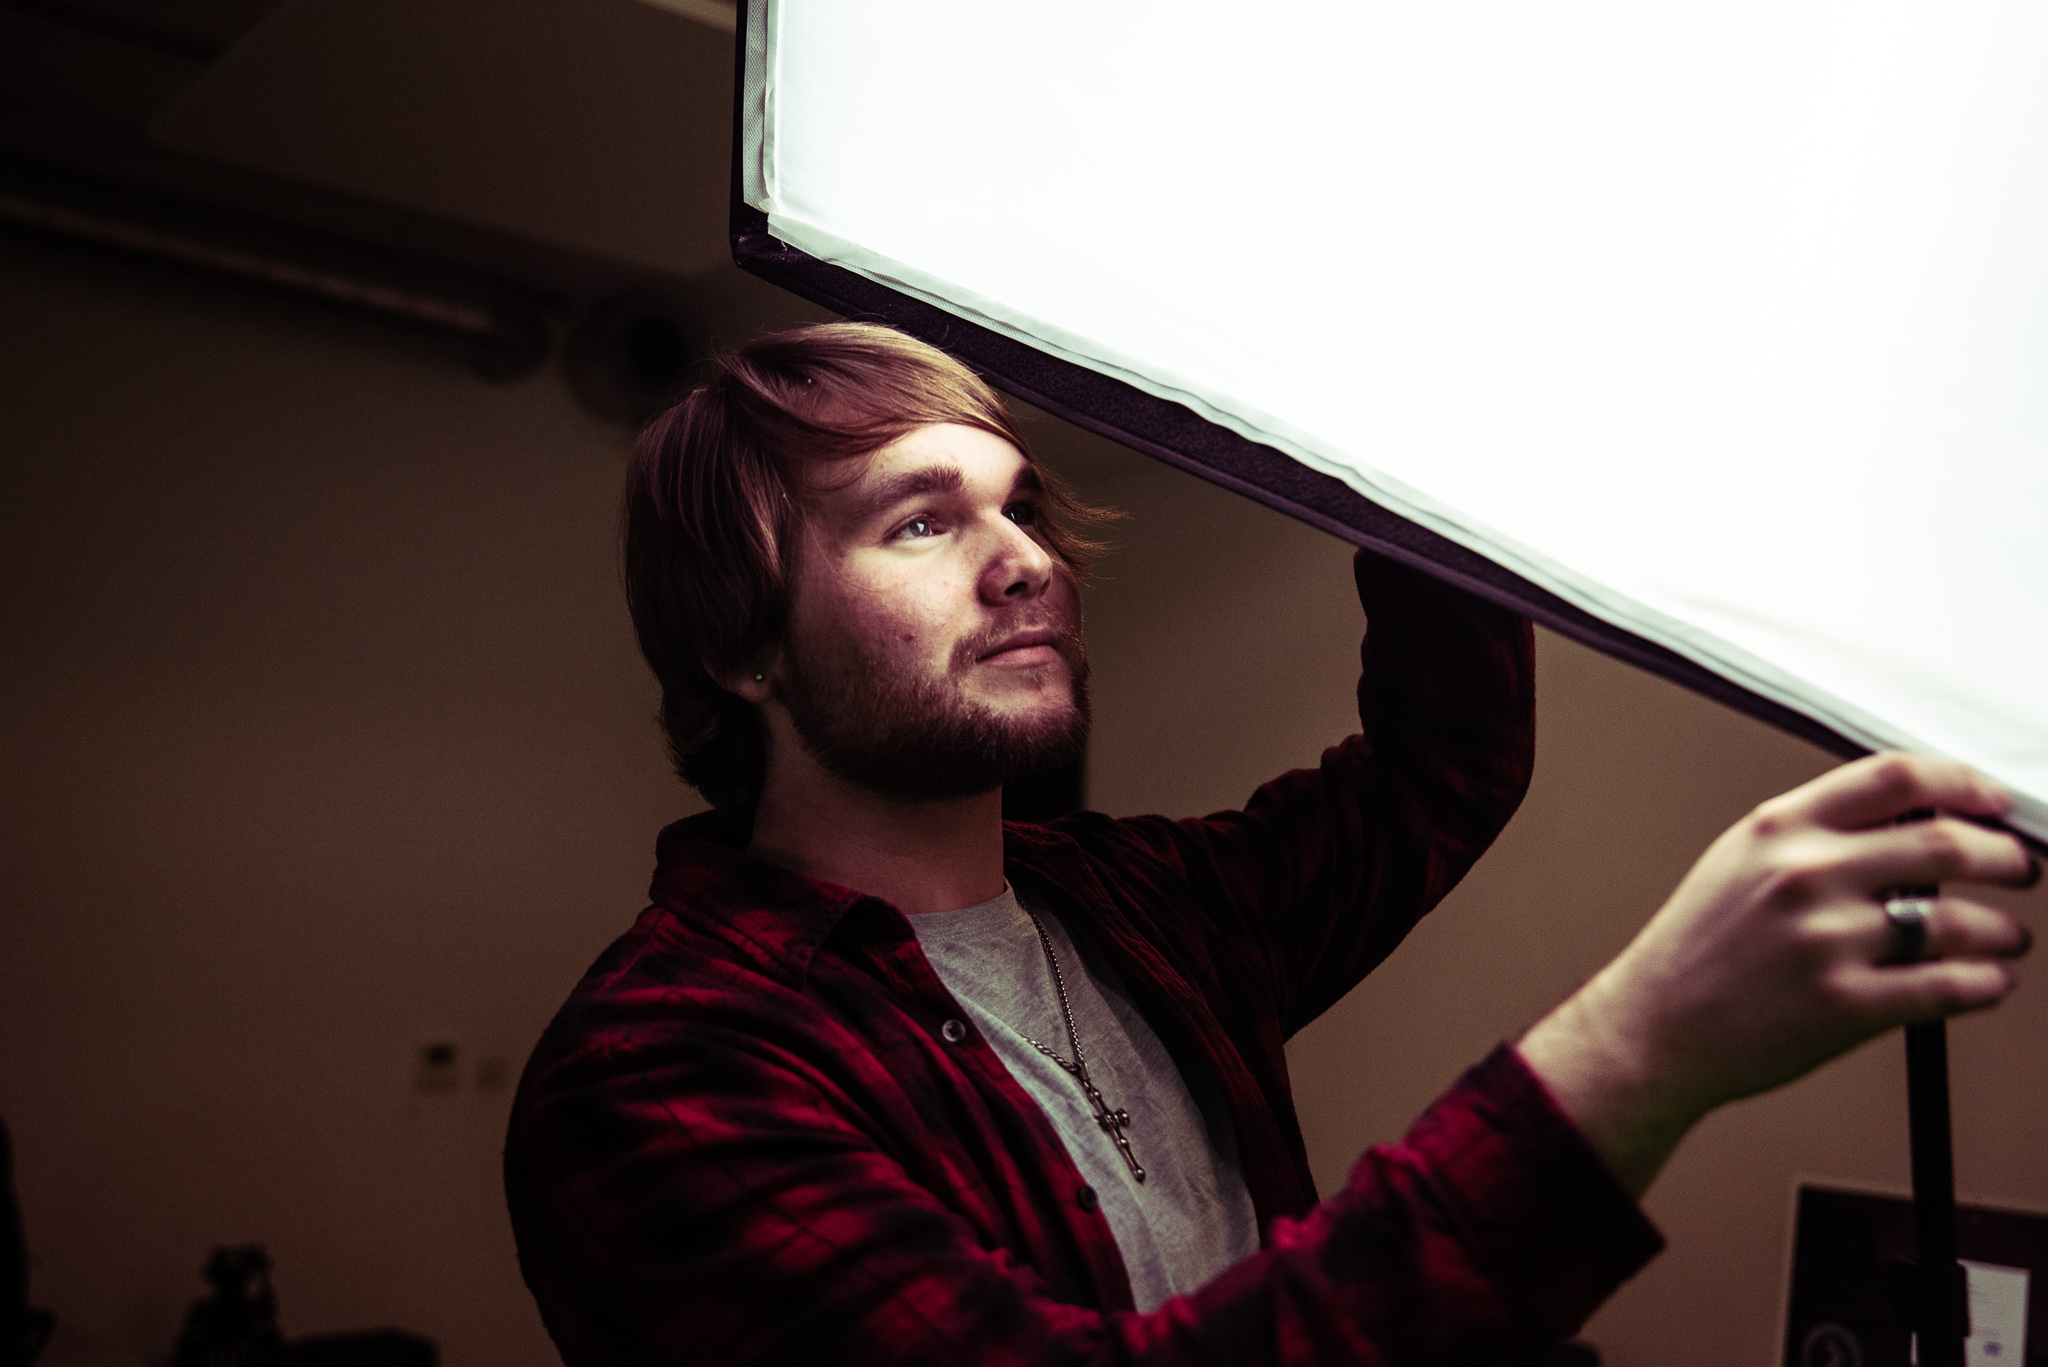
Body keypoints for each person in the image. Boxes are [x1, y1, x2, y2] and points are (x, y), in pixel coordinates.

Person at [504, 322, 2036, 1365]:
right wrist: (1645, 1050)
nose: (1028, 558)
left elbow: (1443, 766)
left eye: (1020, 509)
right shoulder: (663, 1070)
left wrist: (1409, 436)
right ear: (740, 649)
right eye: (922, 523)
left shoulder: (1145, 905)